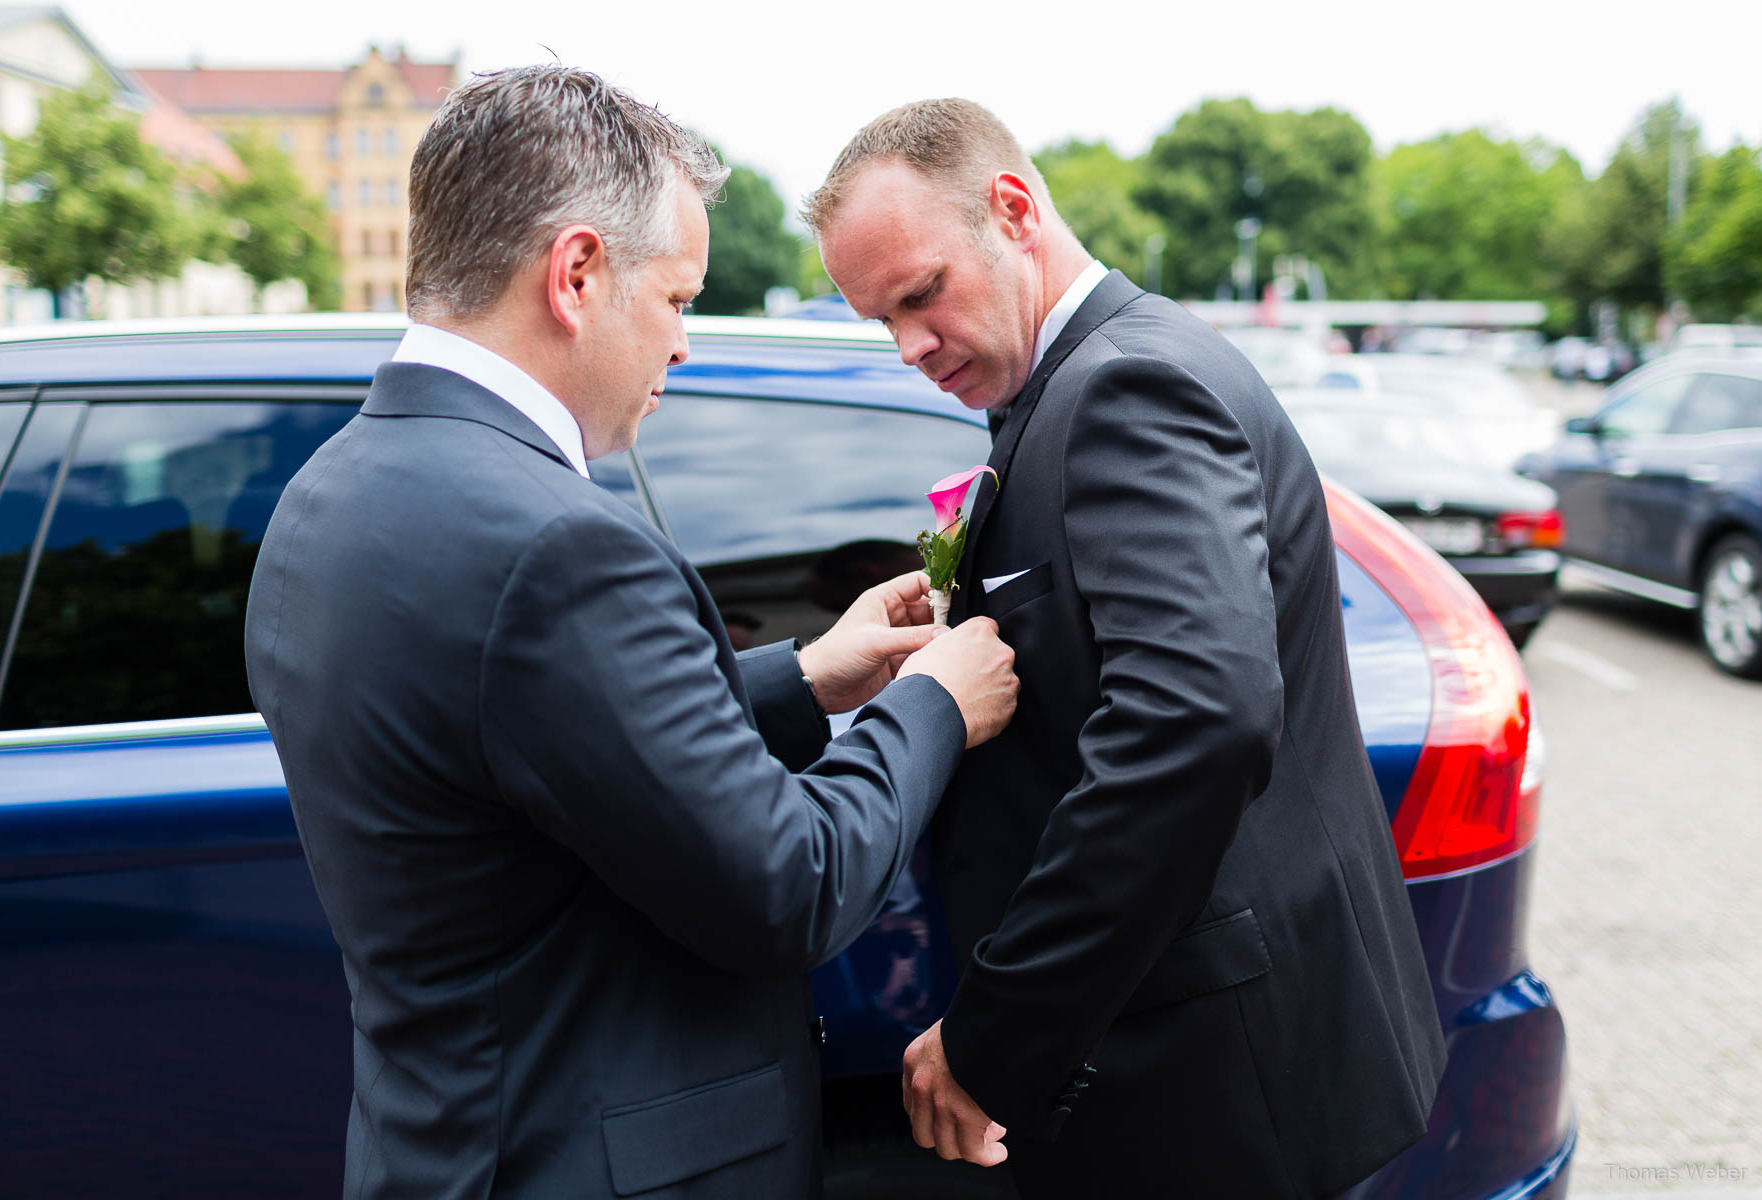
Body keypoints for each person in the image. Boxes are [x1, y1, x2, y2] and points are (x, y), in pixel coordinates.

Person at [244, 69, 1019, 1200]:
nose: (685, 347)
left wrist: (806, 681)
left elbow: (524, 746)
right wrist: (935, 704)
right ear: (576, 275)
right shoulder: (558, 547)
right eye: (676, 299)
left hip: (445, 1149)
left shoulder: (328, 496)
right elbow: (788, 885)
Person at [806, 98, 1447, 1199]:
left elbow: (1195, 724)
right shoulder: (1065, 387)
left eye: (921, 296)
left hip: (1205, 1086)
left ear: (1013, 211)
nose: (910, 345)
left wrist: (998, 1029)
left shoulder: (1127, 388)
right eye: (881, 321)